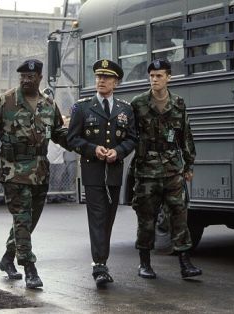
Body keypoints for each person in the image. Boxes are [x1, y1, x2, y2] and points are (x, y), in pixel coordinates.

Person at [0, 59, 68, 289]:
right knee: (22, 218)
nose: (26, 80)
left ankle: (7, 259)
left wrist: (86, 145)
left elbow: (59, 134)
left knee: (28, 221)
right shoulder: (4, 102)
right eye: (23, 77)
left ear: (40, 79)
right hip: (13, 170)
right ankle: (29, 268)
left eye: (31, 77)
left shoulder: (48, 105)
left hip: (40, 172)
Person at [67, 59, 137, 288]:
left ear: (115, 82)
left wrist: (118, 151)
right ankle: (99, 265)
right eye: (98, 77)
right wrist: (93, 149)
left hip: (114, 173)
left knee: (108, 218)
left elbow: (132, 138)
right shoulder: (82, 107)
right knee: (97, 217)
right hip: (93, 172)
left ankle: (101, 259)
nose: (101, 81)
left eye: (106, 78)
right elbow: (73, 138)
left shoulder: (125, 109)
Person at [130, 58, 202, 279]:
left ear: (168, 77)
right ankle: (144, 263)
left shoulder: (178, 103)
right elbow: (130, 136)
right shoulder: (138, 103)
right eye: (151, 76)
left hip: (172, 169)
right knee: (147, 218)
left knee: (179, 215)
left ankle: (185, 263)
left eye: (159, 75)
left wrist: (189, 165)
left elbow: (185, 136)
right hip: (147, 170)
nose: (154, 79)